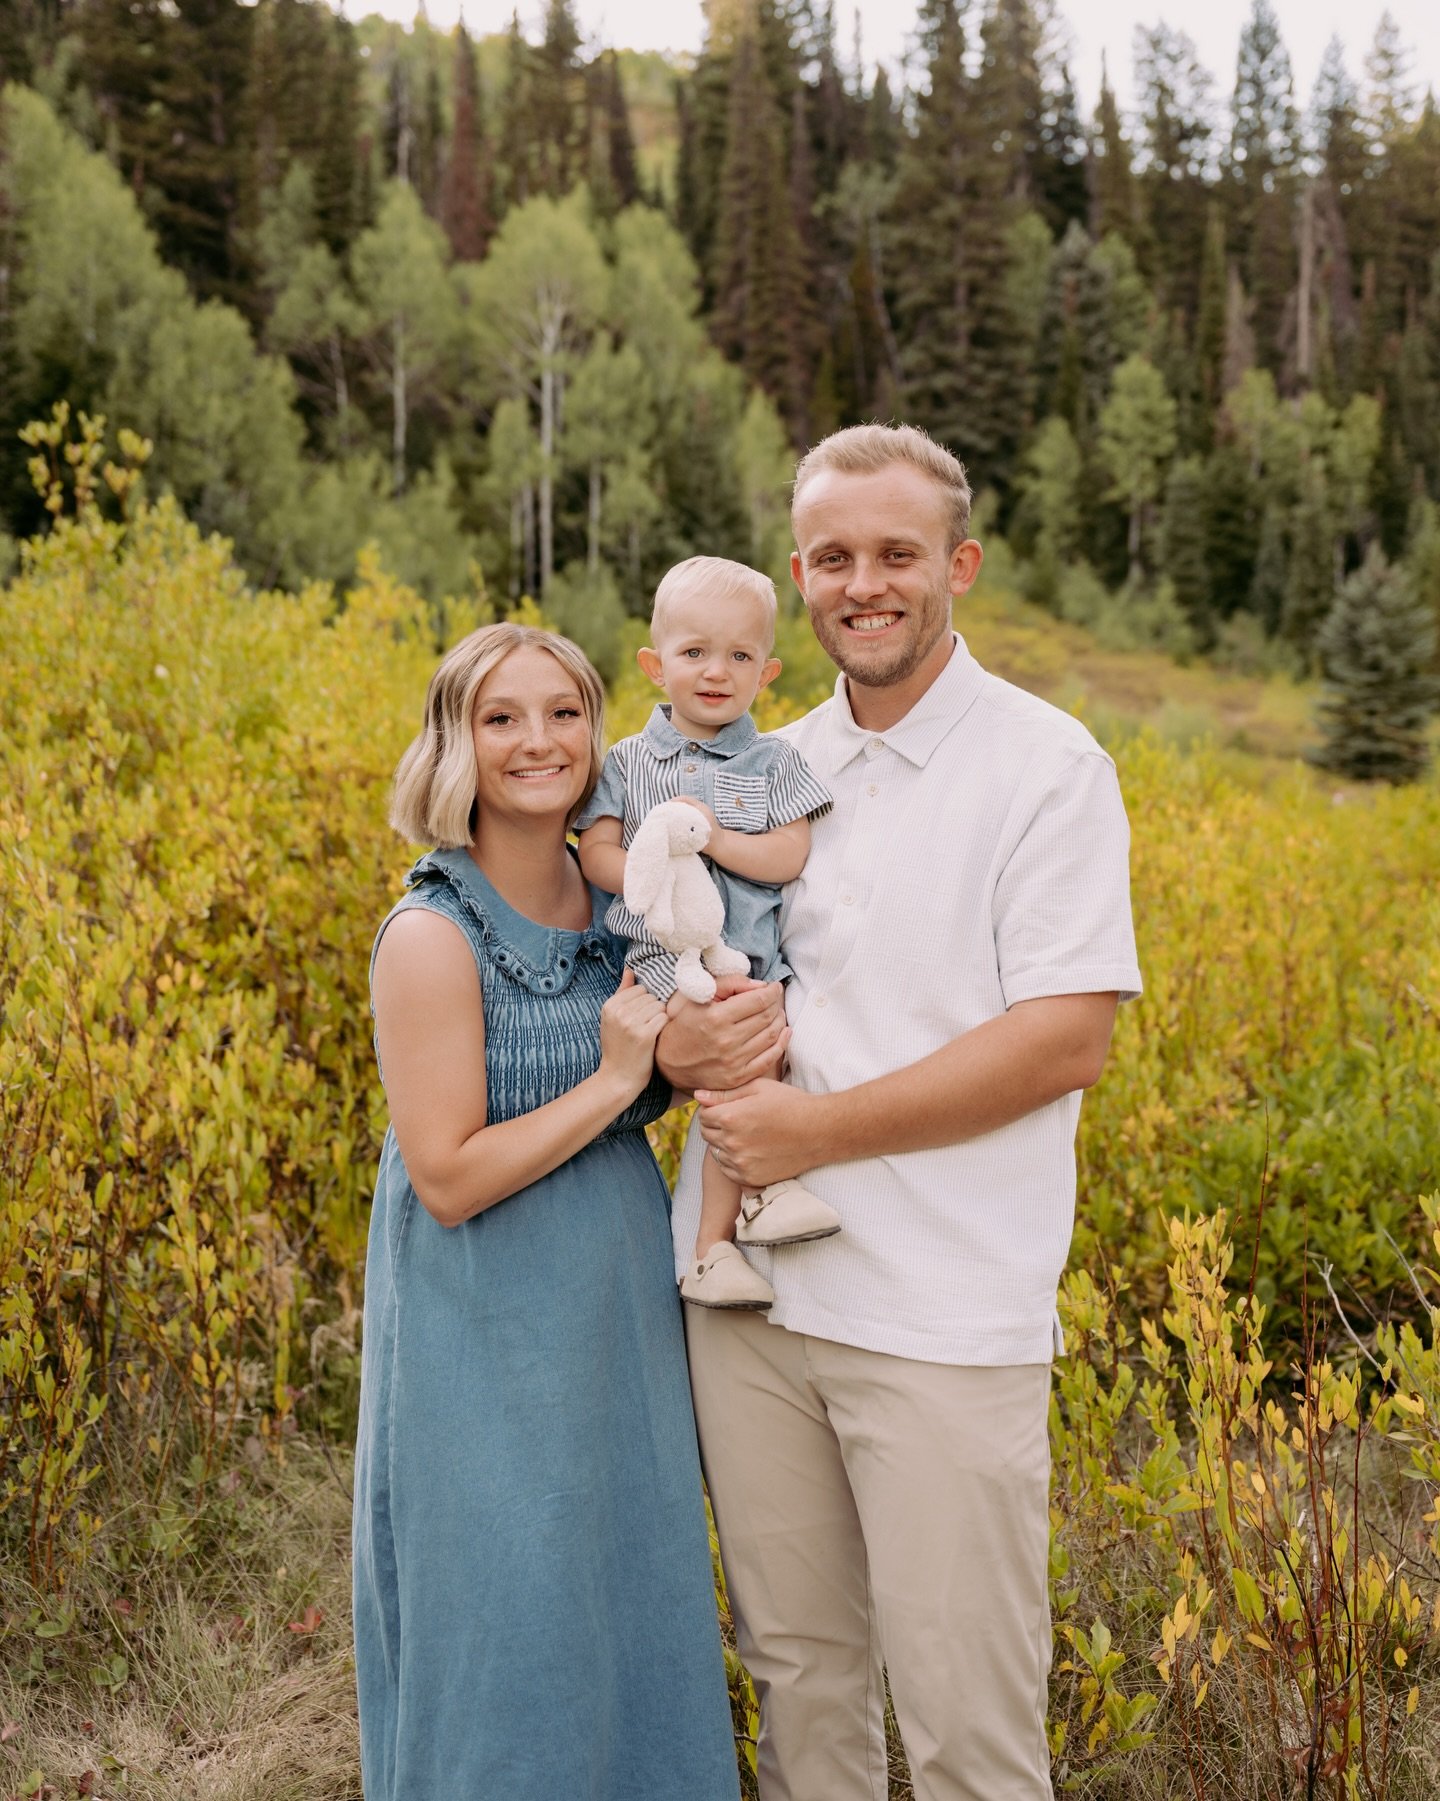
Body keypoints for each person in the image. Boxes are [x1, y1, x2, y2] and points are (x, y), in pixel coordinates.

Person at [657, 424, 1144, 1801]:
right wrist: (682, 1042)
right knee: (800, 1682)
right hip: (751, 1317)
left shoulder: (1044, 768)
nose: (860, 583)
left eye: (895, 554)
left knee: (965, 1734)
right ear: (797, 575)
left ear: (960, 566)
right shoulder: (759, 766)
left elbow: (1066, 1040)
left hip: (938, 1319)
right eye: (830, 557)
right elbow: (668, 956)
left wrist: (815, 1132)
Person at [352, 622, 739, 1800]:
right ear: (456, 742)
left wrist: (703, 1054)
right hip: (483, 1320)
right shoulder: (432, 934)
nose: (539, 741)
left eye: (565, 712)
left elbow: (666, 1058)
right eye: (502, 716)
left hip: (615, 1302)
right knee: (507, 1614)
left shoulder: (626, 895)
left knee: (631, 1592)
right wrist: (623, 1078)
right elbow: (450, 1175)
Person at [576, 556, 836, 1312]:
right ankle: (729, 1231)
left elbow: (790, 852)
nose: (716, 671)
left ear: (768, 672)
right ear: (656, 665)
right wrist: (649, 871)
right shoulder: (626, 761)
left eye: (740, 656)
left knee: (764, 1063)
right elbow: (595, 851)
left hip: (748, 957)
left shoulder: (773, 760)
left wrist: (714, 840)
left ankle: (732, 1227)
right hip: (663, 960)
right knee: (734, 1066)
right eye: (694, 653)